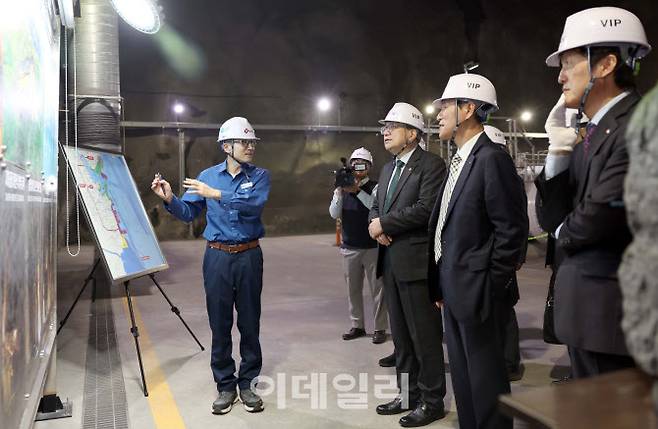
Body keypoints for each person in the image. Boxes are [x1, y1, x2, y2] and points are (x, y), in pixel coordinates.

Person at [535, 6, 651, 379]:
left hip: (613, 320)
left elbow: (592, 222)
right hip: (588, 316)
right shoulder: (593, 132)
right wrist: (557, 152)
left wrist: (562, 230)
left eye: (569, 65)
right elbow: (552, 215)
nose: (561, 78)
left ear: (605, 65)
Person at [428, 73, 528, 429]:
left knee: (486, 383)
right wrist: (442, 280)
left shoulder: (491, 159)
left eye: (444, 106)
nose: (438, 114)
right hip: (453, 289)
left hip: (477, 292)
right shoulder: (459, 160)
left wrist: (489, 286)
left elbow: (511, 231)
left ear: (467, 108)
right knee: (466, 381)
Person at [151, 116, 270, 415]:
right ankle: (226, 385)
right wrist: (170, 199)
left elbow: (253, 204)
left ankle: (248, 384)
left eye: (252, 142)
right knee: (219, 322)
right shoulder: (208, 175)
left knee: (249, 321)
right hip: (216, 256)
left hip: (248, 255)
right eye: (244, 142)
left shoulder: (259, 176)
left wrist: (216, 194)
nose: (250, 147)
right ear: (226, 146)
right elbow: (190, 213)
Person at [369, 102, 447, 427]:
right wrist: (376, 222)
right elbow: (375, 205)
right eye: (384, 126)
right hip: (390, 263)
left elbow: (426, 208)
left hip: (416, 265)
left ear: (412, 133)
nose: (385, 132)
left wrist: (384, 224)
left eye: (392, 126)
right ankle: (407, 394)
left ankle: (432, 401)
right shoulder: (387, 169)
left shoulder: (431, 165)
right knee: (400, 336)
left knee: (423, 336)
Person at [329, 147, 388, 344]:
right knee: (352, 290)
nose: (358, 167)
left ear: (369, 167)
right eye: (355, 164)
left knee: (378, 291)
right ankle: (358, 325)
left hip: (373, 247)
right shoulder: (343, 187)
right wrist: (339, 192)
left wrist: (357, 191)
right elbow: (334, 214)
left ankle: (380, 328)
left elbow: (374, 206)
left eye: (363, 164)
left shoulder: (376, 186)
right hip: (350, 247)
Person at [484, 125, 525, 381]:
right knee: (499, 311)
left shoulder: (508, 176)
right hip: (497, 255)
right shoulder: (502, 173)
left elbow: (516, 221)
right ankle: (502, 359)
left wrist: (516, 256)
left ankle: (510, 362)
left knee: (504, 310)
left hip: (502, 256)